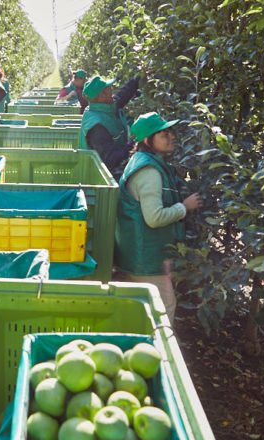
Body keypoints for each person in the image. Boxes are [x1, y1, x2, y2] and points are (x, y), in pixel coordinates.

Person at [114, 112, 203, 323]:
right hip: (145, 257)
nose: (171, 136)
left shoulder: (142, 161)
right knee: (163, 308)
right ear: (147, 140)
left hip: (137, 254)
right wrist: (184, 207)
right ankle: (160, 354)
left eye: (170, 132)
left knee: (140, 312)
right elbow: (154, 218)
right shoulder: (149, 172)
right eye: (163, 134)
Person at [79, 74, 142, 179]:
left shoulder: (102, 106)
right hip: (99, 176)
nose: (112, 91)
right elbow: (110, 159)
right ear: (102, 96)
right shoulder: (96, 126)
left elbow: (122, 95)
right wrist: (135, 144)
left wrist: (136, 79)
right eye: (108, 88)